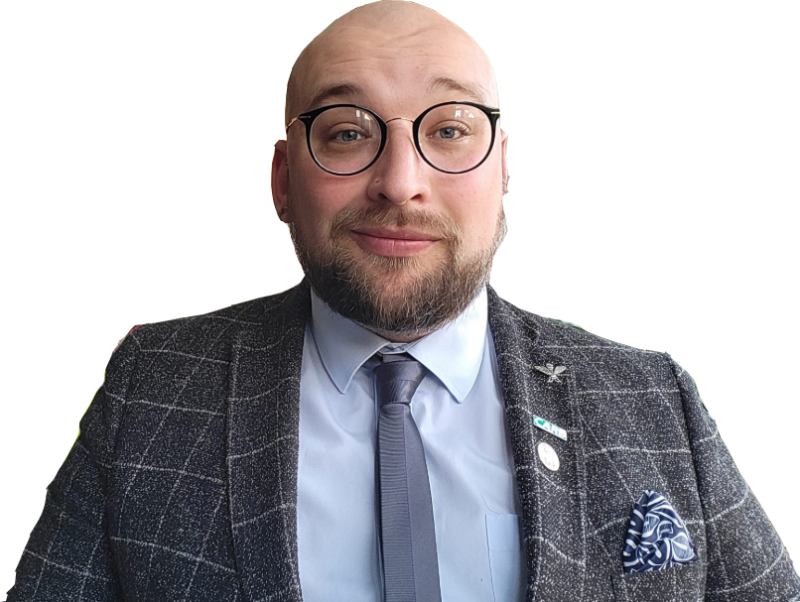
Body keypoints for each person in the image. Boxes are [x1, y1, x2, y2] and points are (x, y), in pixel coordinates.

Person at [5, 1, 799, 601]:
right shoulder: (152, 387)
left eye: (450, 130)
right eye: (348, 133)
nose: (400, 182)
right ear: (284, 180)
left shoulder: (655, 398)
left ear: (505, 171)